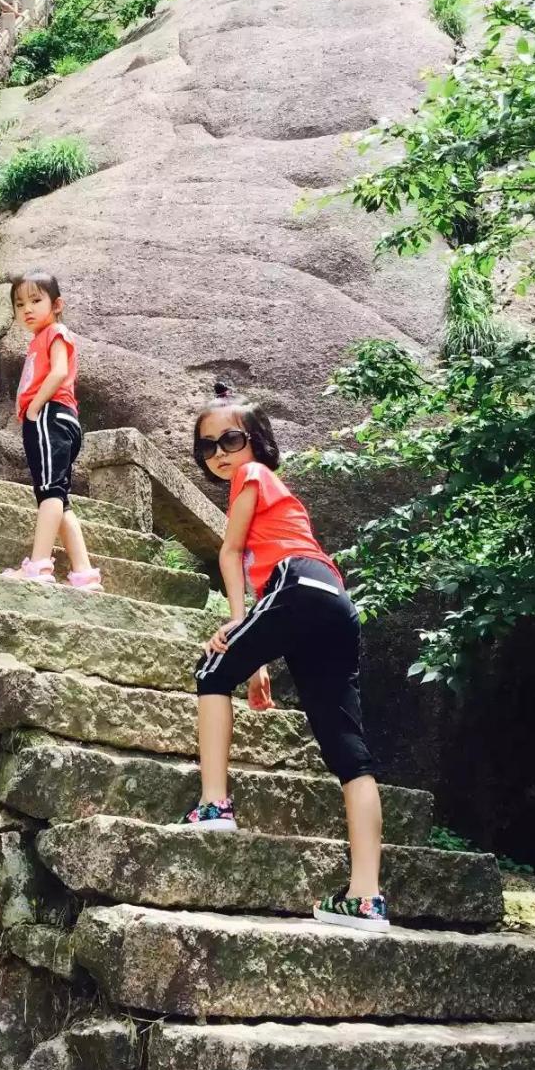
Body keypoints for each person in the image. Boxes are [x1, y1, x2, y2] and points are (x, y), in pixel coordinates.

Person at [183, 382, 388, 934]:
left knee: (210, 671)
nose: (220, 453)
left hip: (296, 582)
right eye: (207, 446)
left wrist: (233, 623)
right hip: (333, 602)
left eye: (231, 439)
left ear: (257, 442)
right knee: (350, 752)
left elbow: (230, 551)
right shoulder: (271, 487)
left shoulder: (252, 477)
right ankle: (366, 898)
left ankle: (213, 805)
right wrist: (257, 658)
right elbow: (272, 611)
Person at [2, 269, 101, 591]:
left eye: (35, 300)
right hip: (58, 418)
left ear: (56, 304)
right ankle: (84, 574)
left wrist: (34, 407)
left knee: (50, 493)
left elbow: (58, 371)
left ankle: (39, 565)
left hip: (49, 415)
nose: (27, 309)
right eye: (19, 304)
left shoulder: (56, 332)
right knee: (59, 497)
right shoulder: (38, 340)